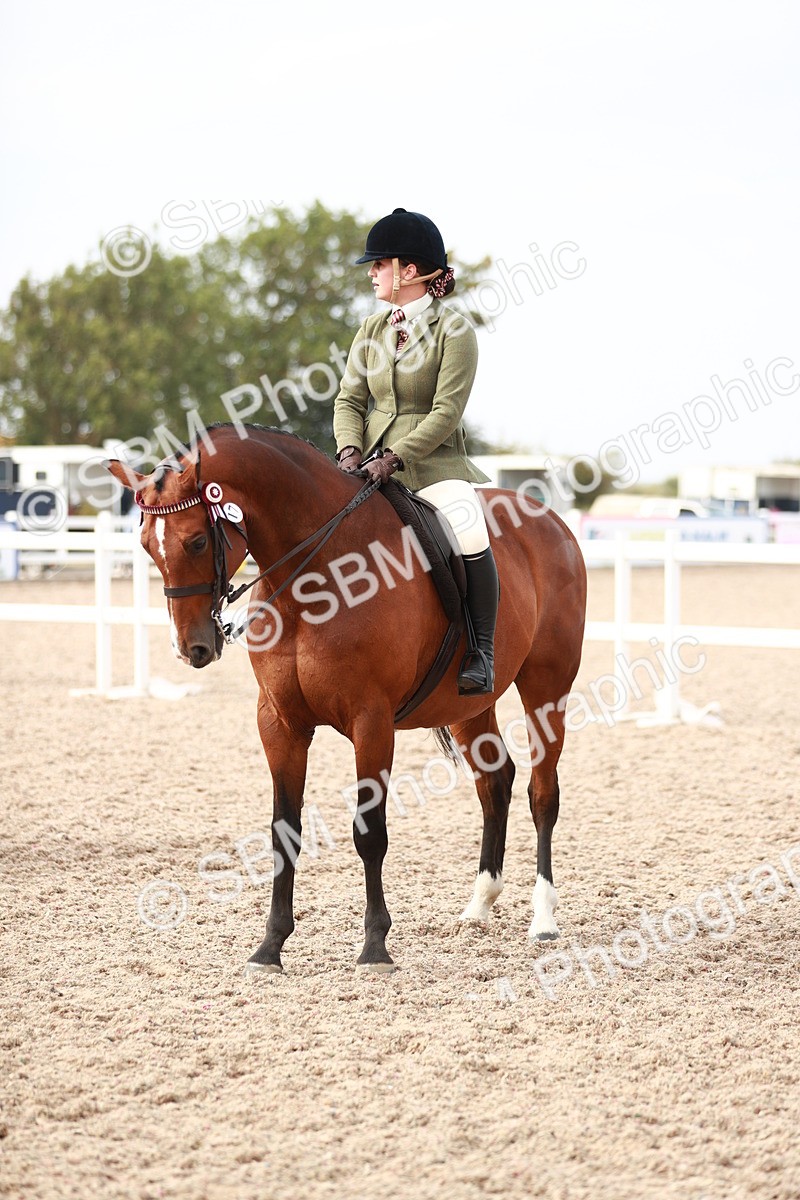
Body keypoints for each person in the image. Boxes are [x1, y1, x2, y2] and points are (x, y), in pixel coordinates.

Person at [333, 207, 499, 696]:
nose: (371, 273)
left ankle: (481, 650)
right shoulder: (370, 331)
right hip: (365, 465)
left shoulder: (455, 332)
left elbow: (446, 412)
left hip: (433, 465)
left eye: (380, 264)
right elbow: (349, 400)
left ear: (409, 271)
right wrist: (349, 450)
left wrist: (395, 456)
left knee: (468, 528)